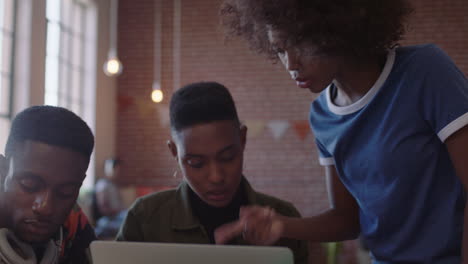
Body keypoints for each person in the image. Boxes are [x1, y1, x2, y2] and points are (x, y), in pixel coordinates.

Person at [217, 0, 468, 263]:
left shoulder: (425, 71)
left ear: (339, 29)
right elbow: (346, 220)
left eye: (302, 43)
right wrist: (282, 224)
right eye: (280, 49)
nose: (291, 63)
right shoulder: (322, 115)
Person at [116, 81, 308, 264]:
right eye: (196, 163)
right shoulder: (145, 218)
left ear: (242, 139)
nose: (216, 177)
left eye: (227, 157)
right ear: (174, 152)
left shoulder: (285, 219)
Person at [0, 105, 96, 263]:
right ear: (3, 169)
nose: (45, 208)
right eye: (29, 184)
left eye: (65, 192)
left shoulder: (73, 223)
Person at [93, 158, 126, 239]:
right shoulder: (102, 185)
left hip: (117, 217)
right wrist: (118, 211)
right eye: (116, 170)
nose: (118, 173)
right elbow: (104, 210)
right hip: (107, 220)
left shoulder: (113, 185)